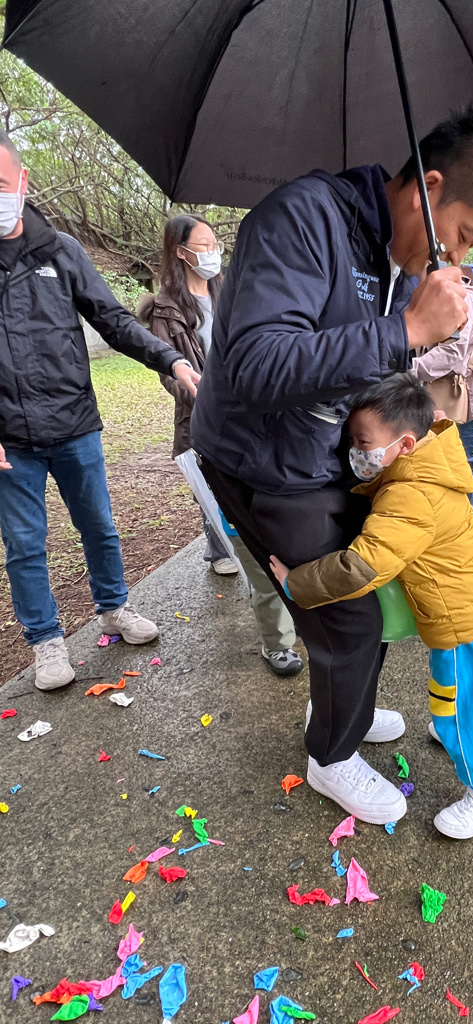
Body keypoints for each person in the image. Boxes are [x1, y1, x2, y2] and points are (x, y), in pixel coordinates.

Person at [193, 108, 473, 824]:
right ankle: (331, 755)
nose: (462, 255)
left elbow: (375, 374)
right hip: (260, 456)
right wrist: (407, 328)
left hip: (329, 454)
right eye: (465, 235)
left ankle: (347, 704)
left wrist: (413, 419)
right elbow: (255, 364)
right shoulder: (302, 219)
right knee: (346, 618)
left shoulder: (399, 262)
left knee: (369, 589)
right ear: (428, 190)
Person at [0, 130, 200, 690]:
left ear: (22, 181)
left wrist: (170, 359)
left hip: (74, 424)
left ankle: (114, 608)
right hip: (9, 438)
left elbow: (113, 320)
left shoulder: (61, 251)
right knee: (24, 545)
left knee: (99, 525)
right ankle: (45, 641)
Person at [270, 377, 473, 838]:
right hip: (471, 603)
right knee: (459, 693)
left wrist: (295, 583)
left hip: (461, 621)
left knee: (458, 708)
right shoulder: (427, 461)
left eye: (364, 443)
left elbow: (363, 566)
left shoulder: (411, 495)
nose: (356, 452)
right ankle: (455, 727)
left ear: (404, 443)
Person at [139, 215, 303, 677]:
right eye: (203, 243)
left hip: (262, 428)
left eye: (215, 242)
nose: (213, 251)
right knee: (244, 536)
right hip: (210, 434)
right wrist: (220, 397)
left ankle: (288, 614)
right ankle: (277, 640)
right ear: (180, 251)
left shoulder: (231, 291)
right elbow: (174, 377)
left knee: (273, 529)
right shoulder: (166, 310)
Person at [411, 267, 473, 514]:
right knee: (452, 456)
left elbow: (453, 352)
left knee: (471, 459)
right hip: (455, 388)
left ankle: (471, 521)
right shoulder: (427, 300)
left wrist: (409, 370)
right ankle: (457, 516)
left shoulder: (462, 300)